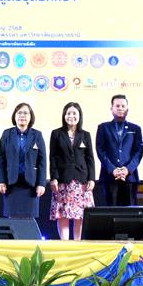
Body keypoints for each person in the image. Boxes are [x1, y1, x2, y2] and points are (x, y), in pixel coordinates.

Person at [48, 102, 95, 240]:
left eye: (74, 113)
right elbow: (53, 157)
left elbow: (90, 158)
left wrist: (91, 178)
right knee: (63, 213)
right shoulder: (56, 133)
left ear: (79, 116)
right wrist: (54, 177)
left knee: (80, 214)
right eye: (68, 113)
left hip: (81, 180)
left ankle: (77, 243)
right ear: (64, 115)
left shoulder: (85, 135)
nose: (71, 116)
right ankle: (65, 243)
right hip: (63, 180)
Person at [0, 103, 47, 219]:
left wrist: (41, 183)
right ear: (14, 116)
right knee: (12, 221)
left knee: (29, 221)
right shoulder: (6, 134)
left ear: (30, 117)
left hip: (31, 185)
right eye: (19, 112)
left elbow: (42, 161)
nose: (22, 115)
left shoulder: (37, 135)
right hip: (11, 184)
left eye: (25, 113)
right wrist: (1, 180)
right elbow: (1, 160)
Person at [95, 94, 143, 206]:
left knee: (130, 213)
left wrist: (128, 169)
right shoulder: (103, 127)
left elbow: (138, 151)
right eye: (117, 106)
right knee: (110, 213)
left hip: (130, 178)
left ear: (127, 109)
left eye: (123, 106)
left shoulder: (135, 128)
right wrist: (113, 169)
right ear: (111, 109)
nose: (120, 108)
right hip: (109, 177)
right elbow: (100, 150)